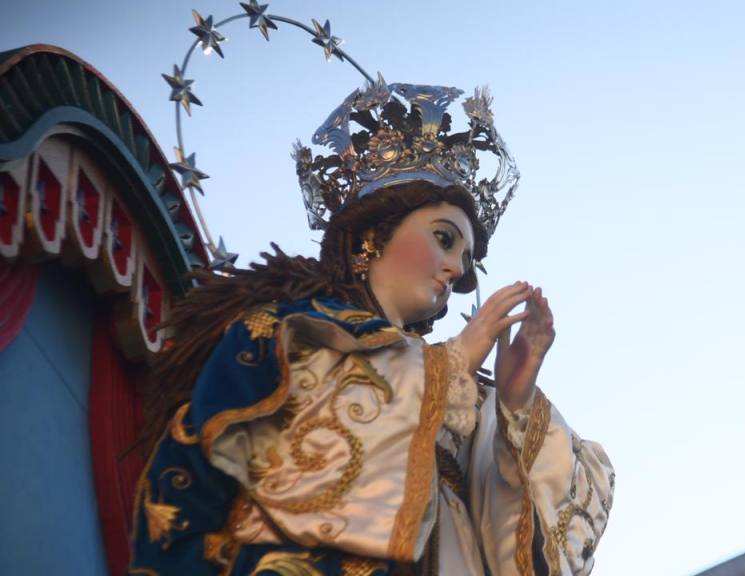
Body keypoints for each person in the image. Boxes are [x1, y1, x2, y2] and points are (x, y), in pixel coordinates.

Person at [129, 79, 614, 576]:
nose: (456, 271)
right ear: (369, 239)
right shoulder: (293, 332)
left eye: (464, 260)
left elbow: (512, 538)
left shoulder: (455, 384)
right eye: (444, 240)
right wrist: (450, 367)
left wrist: (512, 404)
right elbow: (290, 462)